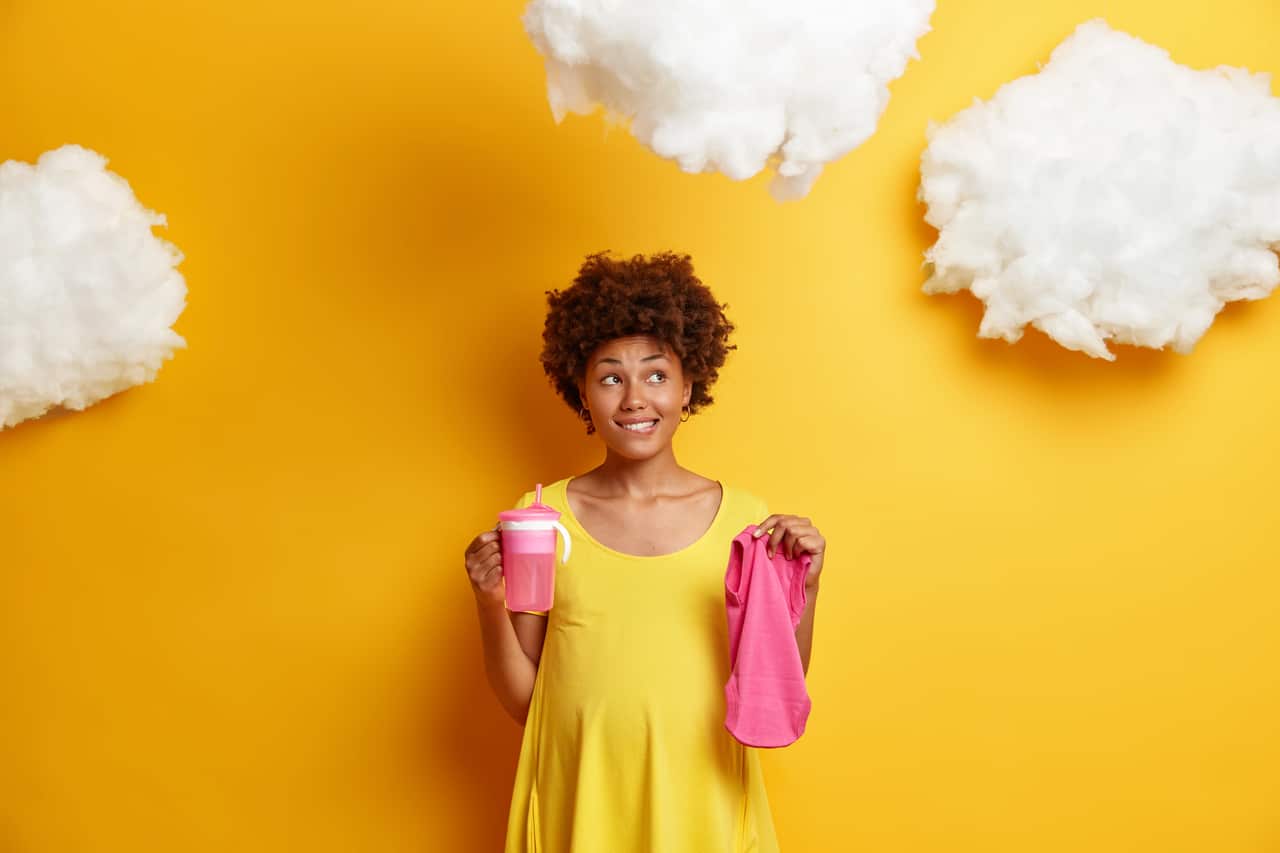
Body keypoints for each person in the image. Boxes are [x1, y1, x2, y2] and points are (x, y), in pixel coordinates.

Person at [462, 251, 828, 852]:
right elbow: (527, 702)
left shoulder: (748, 524)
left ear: (689, 386)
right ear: (581, 392)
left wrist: (807, 586)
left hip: (703, 797)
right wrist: (489, 602)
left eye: (656, 375)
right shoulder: (542, 522)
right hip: (580, 797)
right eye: (610, 377)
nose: (634, 397)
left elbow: (772, 684)